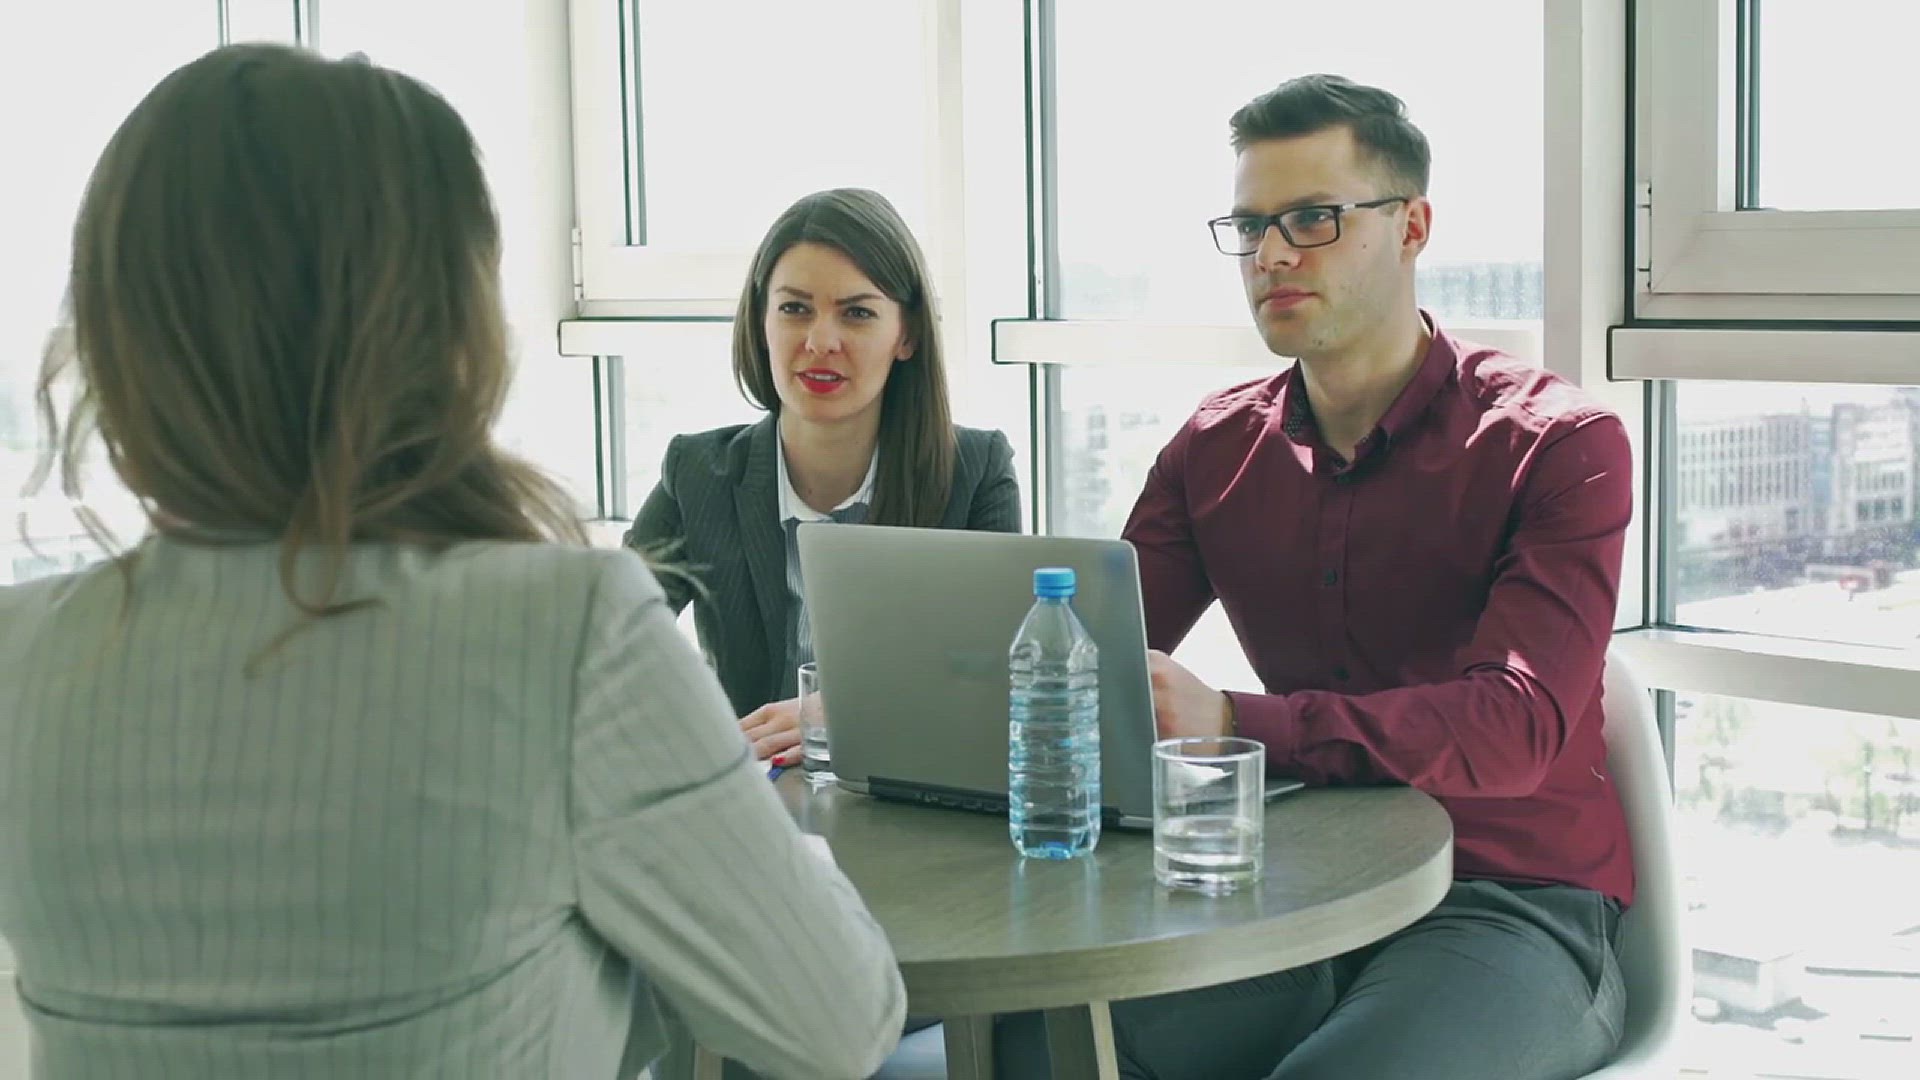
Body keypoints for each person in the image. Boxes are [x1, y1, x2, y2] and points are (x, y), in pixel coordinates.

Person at [0, 44, 904, 1079]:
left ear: (119, 327)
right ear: (447, 327)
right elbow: (839, 1025)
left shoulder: (18, 659)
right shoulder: (568, 634)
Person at [998, 74, 1634, 1079]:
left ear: (1413, 226)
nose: (1273, 255)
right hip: (1302, 891)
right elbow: (1090, 654)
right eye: (1252, 227)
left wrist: (1233, 723)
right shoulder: (1214, 448)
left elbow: (1516, 729)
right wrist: (877, 713)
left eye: (1312, 219)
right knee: (1035, 1049)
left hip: (1514, 902)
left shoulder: (1557, 444)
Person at [624, 188, 1022, 767]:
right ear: (760, 320)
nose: (819, 342)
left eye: (857, 313)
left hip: (907, 796)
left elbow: (998, 682)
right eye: (794, 309)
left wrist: (855, 711)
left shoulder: (975, 471)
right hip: (751, 795)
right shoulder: (697, 472)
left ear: (906, 335)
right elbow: (610, 643)